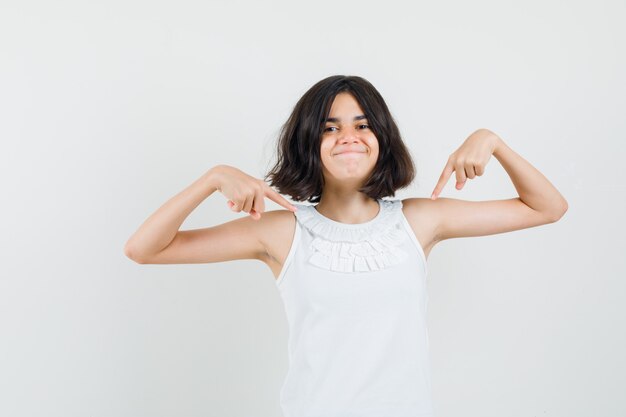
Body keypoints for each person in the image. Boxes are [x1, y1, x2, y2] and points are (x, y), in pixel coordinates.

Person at [123, 75, 568, 417]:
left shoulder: (420, 219)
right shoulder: (282, 231)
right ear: (309, 144)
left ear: (382, 139)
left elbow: (547, 207)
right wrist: (213, 178)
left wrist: (493, 141)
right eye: (330, 127)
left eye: (362, 125)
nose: (348, 136)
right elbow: (144, 249)